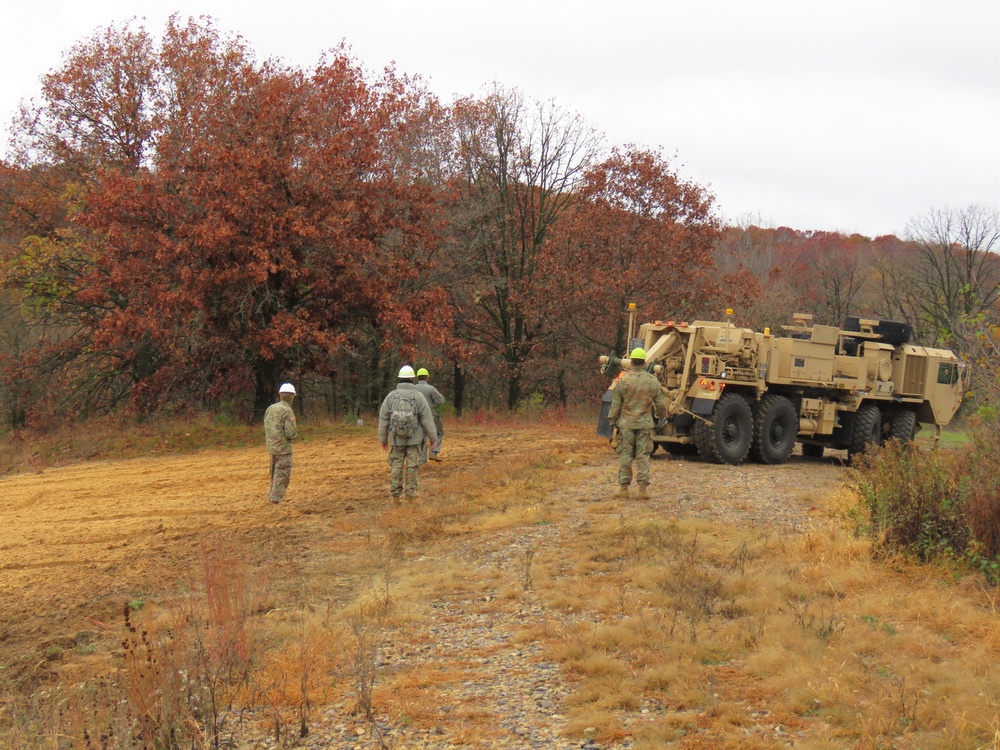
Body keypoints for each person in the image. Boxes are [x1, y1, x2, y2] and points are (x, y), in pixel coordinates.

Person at [607, 348, 667, 499]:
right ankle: (642, 490)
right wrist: (661, 417)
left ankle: (623, 489)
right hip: (645, 425)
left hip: (626, 424)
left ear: (631, 362)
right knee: (643, 456)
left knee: (625, 456)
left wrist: (613, 420)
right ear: (645, 363)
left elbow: (616, 403)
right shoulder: (652, 381)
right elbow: (660, 404)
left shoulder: (624, 380)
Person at [378, 365, 438, 502]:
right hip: (415, 440)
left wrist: (383, 439)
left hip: (395, 439)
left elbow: (383, 419)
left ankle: (395, 498)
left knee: (396, 466)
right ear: (412, 379)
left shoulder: (391, 396)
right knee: (412, 467)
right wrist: (433, 438)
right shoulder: (418, 397)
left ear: (399, 379)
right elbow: (427, 419)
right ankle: (411, 497)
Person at [264, 382, 299, 504]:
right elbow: (290, 433)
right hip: (284, 449)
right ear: (292, 396)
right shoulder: (287, 411)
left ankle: (272, 497)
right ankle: (275, 501)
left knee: (274, 474)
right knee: (282, 475)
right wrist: (295, 435)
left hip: (272, 448)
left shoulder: (270, 409)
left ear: (280, 395)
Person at [414, 367, 445, 464]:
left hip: (416, 416)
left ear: (417, 377)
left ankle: (422, 460)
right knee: (438, 433)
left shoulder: (413, 389)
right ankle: (433, 451)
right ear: (427, 377)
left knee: (421, 437)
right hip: (431, 415)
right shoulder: (431, 389)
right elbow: (441, 401)